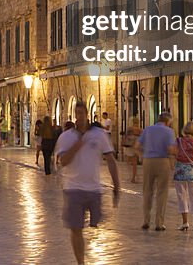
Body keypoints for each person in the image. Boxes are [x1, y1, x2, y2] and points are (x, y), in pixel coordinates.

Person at [55, 102, 120, 265]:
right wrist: (78, 144)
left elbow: (110, 159)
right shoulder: (66, 137)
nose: (80, 116)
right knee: (76, 229)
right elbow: (63, 161)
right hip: (73, 188)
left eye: (82, 113)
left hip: (94, 188)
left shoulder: (99, 134)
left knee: (96, 224)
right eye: (77, 113)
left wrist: (117, 185)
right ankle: (81, 262)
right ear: (74, 115)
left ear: (87, 114)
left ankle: (86, 251)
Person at [136, 111, 177, 231]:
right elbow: (170, 149)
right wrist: (175, 152)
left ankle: (146, 220)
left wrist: (143, 155)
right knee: (162, 192)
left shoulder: (147, 129)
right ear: (168, 121)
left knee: (147, 191)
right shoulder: (169, 132)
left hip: (148, 161)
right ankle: (159, 222)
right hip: (163, 161)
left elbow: (137, 145)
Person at [174, 121, 193, 231]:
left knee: (182, 196)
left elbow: (175, 153)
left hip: (180, 171)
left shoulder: (178, 141)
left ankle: (185, 222)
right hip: (192, 172)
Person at [121, 117, 140, 183]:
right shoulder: (140, 130)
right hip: (136, 146)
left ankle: (132, 176)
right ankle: (134, 177)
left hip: (130, 146)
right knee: (135, 163)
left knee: (128, 162)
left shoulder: (130, 128)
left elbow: (126, 136)